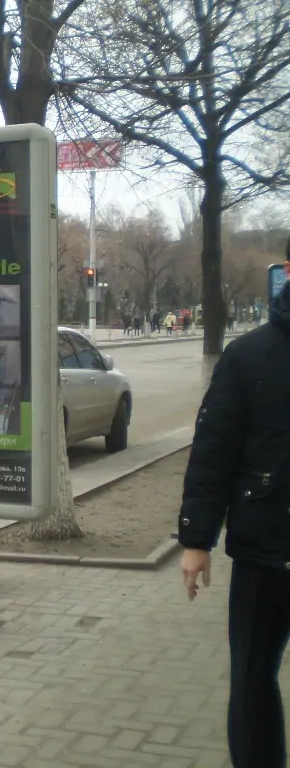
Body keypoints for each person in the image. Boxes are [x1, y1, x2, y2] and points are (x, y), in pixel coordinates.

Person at [179, 236, 290, 768]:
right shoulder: (249, 356)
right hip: (265, 554)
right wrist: (196, 540)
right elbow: (213, 452)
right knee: (251, 681)